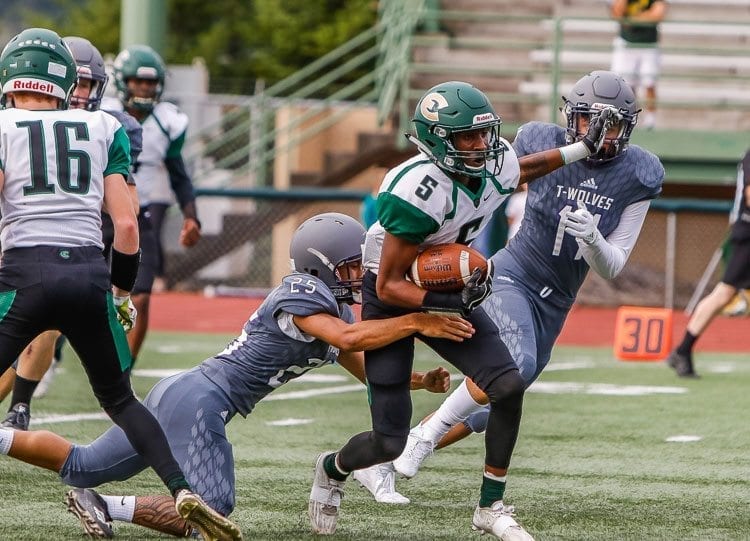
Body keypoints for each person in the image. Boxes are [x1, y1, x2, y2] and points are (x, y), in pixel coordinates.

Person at [0, 212, 471, 539]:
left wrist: (418, 381)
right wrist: (416, 320)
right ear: (319, 264)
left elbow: (364, 365)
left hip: (185, 392)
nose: (356, 275)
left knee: (83, 464)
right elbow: (347, 340)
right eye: (349, 266)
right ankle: (106, 506)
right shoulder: (303, 293)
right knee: (213, 510)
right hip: (202, 401)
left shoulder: (333, 311)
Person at [307, 79, 621, 539]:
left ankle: (489, 507)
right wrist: (441, 306)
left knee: (508, 385)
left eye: (484, 134)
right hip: (392, 295)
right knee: (388, 440)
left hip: (445, 285)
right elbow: (391, 284)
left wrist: (581, 148)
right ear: (436, 141)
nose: (480, 146)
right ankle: (333, 469)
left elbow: (525, 167)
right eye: (466, 138)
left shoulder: (491, 161)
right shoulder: (415, 189)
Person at [353, 71, 664, 500]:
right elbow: (495, 179)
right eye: (589, 120)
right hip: (513, 272)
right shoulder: (539, 138)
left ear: (627, 128)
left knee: (505, 389)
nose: (599, 132)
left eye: (611, 124)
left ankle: (401, 448)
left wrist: (593, 238)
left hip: (560, 297)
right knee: (513, 366)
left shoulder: (640, 172)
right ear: (570, 117)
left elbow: (611, 268)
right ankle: (422, 443)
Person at [0, 27, 240, 541]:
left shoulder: (2, 126)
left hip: (22, 274)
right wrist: (121, 294)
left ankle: (18, 409)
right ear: (65, 82)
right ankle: (180, 488)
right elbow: (128, 227)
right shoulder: (104, 127)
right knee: (123, 401)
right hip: (89, 275)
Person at [0, 35, 145, 430]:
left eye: (86, 84)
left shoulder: (112, 126)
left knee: (43, 325)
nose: (79, 92)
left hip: (76, 239)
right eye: (75, 82)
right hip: (25, 234)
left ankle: (20, 408)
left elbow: (125, 209)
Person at [106, 44, 202, 362]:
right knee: (78, 293)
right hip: (98, 214)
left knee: (142, 297)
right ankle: (54, 355)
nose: (145, 88)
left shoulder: (167, 121)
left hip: (138, 214)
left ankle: (124, 373)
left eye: (149, 82)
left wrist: (192, 216)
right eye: (138, 81)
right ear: (122, 81)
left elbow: (178, 173)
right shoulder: (101, 113)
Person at [667, 148, 750, 377]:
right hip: (748, 233)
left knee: (724, 293)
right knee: (724, 293)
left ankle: (682, 350)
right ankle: (683, 350)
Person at [610, 0, 668, 130]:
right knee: (626, 85)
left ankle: (650, 120)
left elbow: (658, 14)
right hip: (627, 43)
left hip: (648, 44)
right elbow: (617, 13)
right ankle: (629, 117)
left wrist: (631, 19)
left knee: (649, 83)